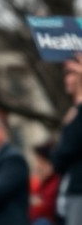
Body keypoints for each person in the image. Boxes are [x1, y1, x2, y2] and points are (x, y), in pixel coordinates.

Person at [52, 53, 82, 225]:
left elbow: (64, 153)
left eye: (70, 72)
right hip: (70, 193)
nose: (67, 78)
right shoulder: (74, 113)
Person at [30, 141, 60, 224]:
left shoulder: (56, 181)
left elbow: (49, 208)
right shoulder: (41, 182)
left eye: (41, 162)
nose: (37, 166)